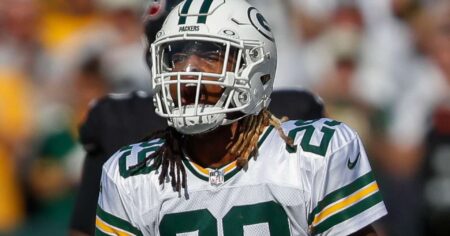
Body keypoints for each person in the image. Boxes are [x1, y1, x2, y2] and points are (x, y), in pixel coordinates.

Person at [95, 0, 387, 235]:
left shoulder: (313, 154)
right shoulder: (130, 175)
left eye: (209, 54)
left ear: (254, 67)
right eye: (176, 57)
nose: (187, 72)